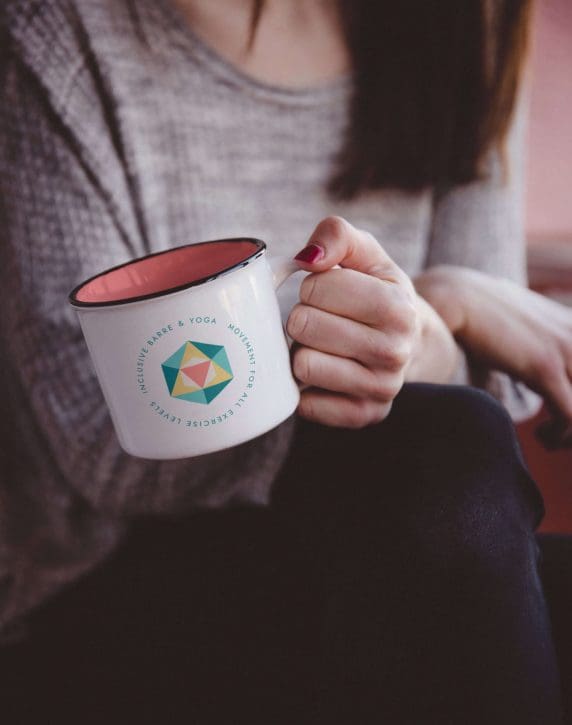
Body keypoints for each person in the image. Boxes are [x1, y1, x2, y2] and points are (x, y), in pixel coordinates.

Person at [0, 0, 571, 722]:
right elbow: (96, 441)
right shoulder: (55, 33)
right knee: (450, 466)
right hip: (99, 584)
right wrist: (443, 309)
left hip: (390, 524)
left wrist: (427, 323)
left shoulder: (463, 23)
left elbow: (491, 389)